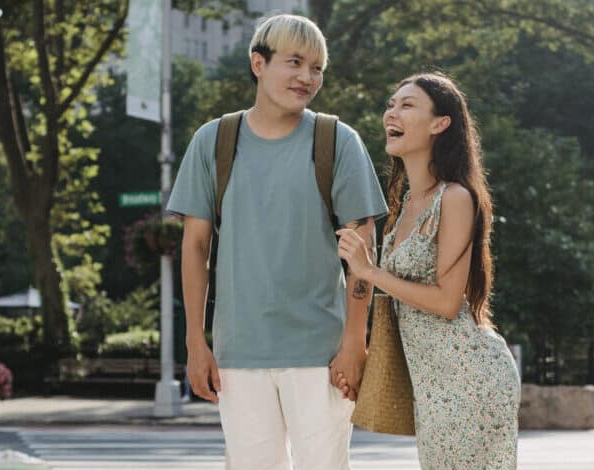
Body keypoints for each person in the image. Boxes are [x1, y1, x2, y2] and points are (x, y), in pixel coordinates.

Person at [166, 14, 387, 470]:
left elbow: (363, 250)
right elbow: (194, 249)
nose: (307, 77)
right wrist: (194, 342)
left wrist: (355, 341)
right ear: (257, 63)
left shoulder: (337, 141)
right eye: (294, 62)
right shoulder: (213, 142)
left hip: (321, 354)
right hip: (239, 351)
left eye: (317, 68)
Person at [336, 72, 521, 469]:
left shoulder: (454, 198)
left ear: (440, 124)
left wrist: (369, 272)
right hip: (432, 387)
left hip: (470, 379)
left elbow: (446, 302)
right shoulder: (403, 205)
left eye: (407, 105)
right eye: (391, 104)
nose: (392, 112)